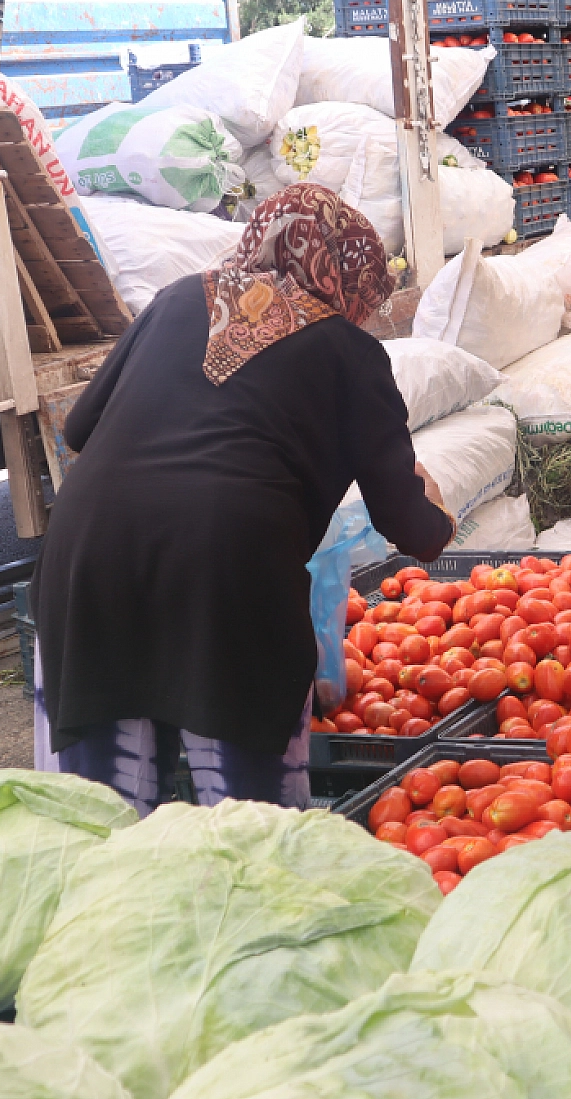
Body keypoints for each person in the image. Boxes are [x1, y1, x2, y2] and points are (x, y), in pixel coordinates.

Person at [29, 184, 457, 816]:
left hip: (87, 556)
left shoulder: (179, 298)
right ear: (348, 278)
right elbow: (412, 527)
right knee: (249, 833)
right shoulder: (350, 352)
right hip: (226, 570)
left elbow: (77, 429)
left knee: (101, 825)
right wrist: (438, 510)